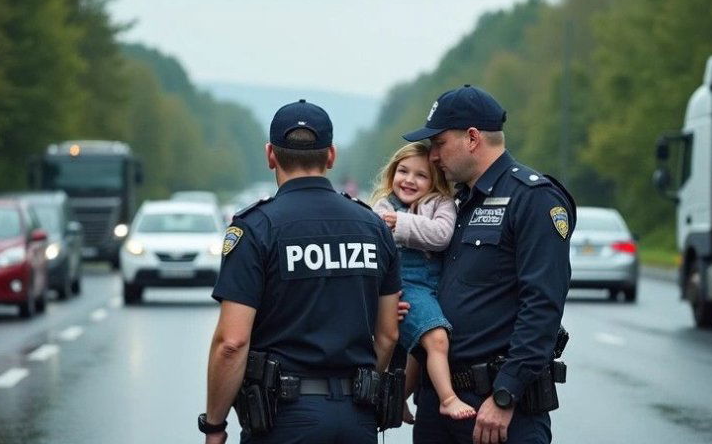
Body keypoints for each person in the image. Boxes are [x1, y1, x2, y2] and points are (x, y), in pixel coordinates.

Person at [199, 99, 402, 444]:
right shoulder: (372, 226)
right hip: (357, 419)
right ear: (331, 156)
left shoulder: (257, 228)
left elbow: (232, 342)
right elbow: (388, 336)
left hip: (284, 419)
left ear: (270, 155)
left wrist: (215, 426)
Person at [402, 85, 576, 444]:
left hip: (497, 409)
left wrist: (506, 393)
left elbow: (542, 306)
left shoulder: (532, 199)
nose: (432, 156)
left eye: (439, 143)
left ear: (471, 138)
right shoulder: (454, 203)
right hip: (440, 402)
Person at [369, 142, 477, 422]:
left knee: (418, 350)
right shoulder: (382, 207)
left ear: (435, 181)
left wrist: (401, 223)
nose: (409, 180)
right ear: (392, 172)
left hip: (435, 287)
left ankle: (399, 398)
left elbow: (442, 235)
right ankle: (448, 398)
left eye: (421, 175)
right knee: (437, 340)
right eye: (403, 171)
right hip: (407, 287)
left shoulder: (441, 204)